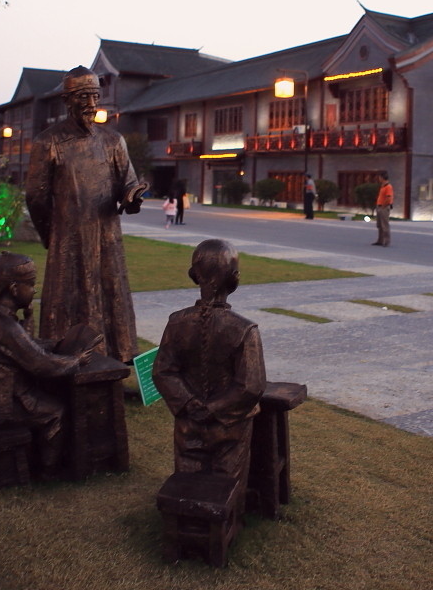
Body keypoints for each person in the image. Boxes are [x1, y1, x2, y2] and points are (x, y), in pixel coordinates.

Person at [25, 66, 149, 364]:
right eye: (83, 96)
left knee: (110, 293)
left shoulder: (112, 141)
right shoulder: (49, 142)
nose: (91, 104)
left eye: (95, 96)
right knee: (68, 297)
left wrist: (132, 197)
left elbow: (127, 182)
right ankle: (64, 361)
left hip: (107, 236)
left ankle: (114, 363)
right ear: (68, 100)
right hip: (68, 237)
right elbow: (36, 197)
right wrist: (51, 235)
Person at [0, 252, 100, 475]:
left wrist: (29, 320)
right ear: (13, 289)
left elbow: (24, 345)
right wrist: (76, 360)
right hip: (3, 405)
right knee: (56, 412)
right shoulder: (4, 325)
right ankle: (48, 470)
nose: (35, 290)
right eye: (30, 285)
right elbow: (41, 364)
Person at [153, 240, 266, 489]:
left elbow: (163, 371)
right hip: (229, 426)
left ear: (194, 275)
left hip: (188, 421)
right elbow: (251, 386)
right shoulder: (244, 329)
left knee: (188, 473)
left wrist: (190, 404)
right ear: (235, 280)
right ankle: (224, 519)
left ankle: (189, 517)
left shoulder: (177, 322)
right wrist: (213, 409)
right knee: (226, 483)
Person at [372, 172, 393, 247]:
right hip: (379, 206)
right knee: (379, 225)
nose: (379, 179)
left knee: (384, 225)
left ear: (382, 178)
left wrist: (383, 206)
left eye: (379, 177)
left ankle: (386, 241)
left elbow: (389, 198)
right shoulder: (382, 186)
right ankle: (380, 240)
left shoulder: (388, 187)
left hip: (383, 207)